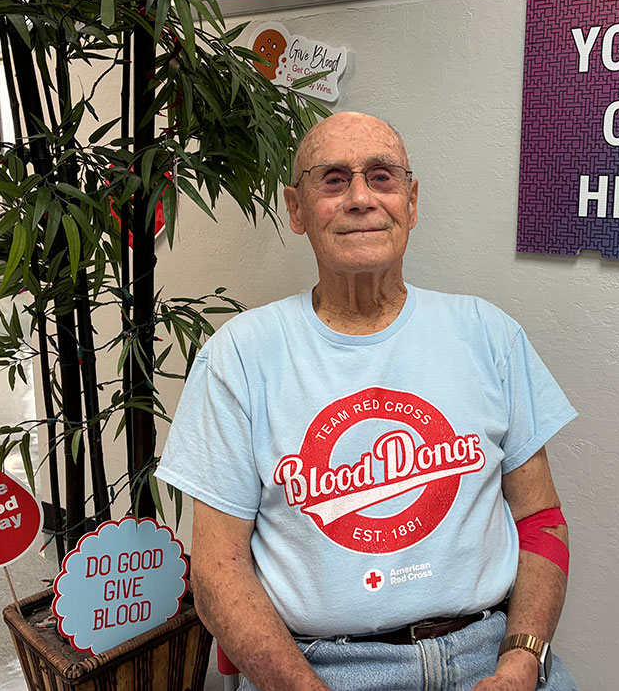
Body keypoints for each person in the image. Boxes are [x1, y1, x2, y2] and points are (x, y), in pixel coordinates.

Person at [155, 112, 580, 691]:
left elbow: (541, 522)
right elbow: (217, 570)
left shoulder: (489, 335)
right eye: (333, 179)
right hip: (321, 667)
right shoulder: (241, 356)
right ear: (296, 208)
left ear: (411, 199)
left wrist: (521, 663)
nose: (360, 197)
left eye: (381, 177)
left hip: (489, 650)